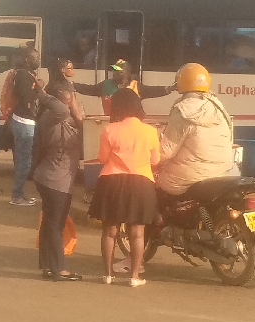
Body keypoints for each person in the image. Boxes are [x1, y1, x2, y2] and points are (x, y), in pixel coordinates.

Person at [88, 87, 160, 286]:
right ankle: (134, 277)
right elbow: (155, 161)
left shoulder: (109, 129)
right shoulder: (150, 131)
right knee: (137, 233)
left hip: (112, 181)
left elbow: (103, 158)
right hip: (142, 183)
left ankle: (108, 275)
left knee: (109, 231)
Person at [155, 62, 236, 196]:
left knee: (157, 187)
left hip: (187, 180)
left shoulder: (183, 110)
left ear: (180, 82)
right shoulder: (218, 106)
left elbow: (165, 152)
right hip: (220, 174)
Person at [31, 81, 84, 280]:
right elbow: (61, 109)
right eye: (70, 94)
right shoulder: (53, 116)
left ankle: (48, 266)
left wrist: (75, 110)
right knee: (55, 224)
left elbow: (84, 130)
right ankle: (59, 269)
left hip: (55, 177)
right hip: (55, 178)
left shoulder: (59, 117)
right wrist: (42, 93)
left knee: (50, 223)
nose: (73, 97)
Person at [8, 48, 44, 207]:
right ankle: (17, 196)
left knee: (25, 160)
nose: (38, 60)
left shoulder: (24, 74)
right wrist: (38, 88)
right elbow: (26, 98)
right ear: (27, 59)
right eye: (35, 57)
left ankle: (20, 194)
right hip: (24, 122)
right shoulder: (23, 75)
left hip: (23, 121)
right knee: (24, 162)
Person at [71, 58, 174, 112]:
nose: (114, 73)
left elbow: (153, 91)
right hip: (111, 124)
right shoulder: (105, 85)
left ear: (127, 73)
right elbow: (89, 89)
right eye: (114, 70)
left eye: (118, 71)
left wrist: (169, 89)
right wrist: (73, 85)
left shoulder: (136, 86)